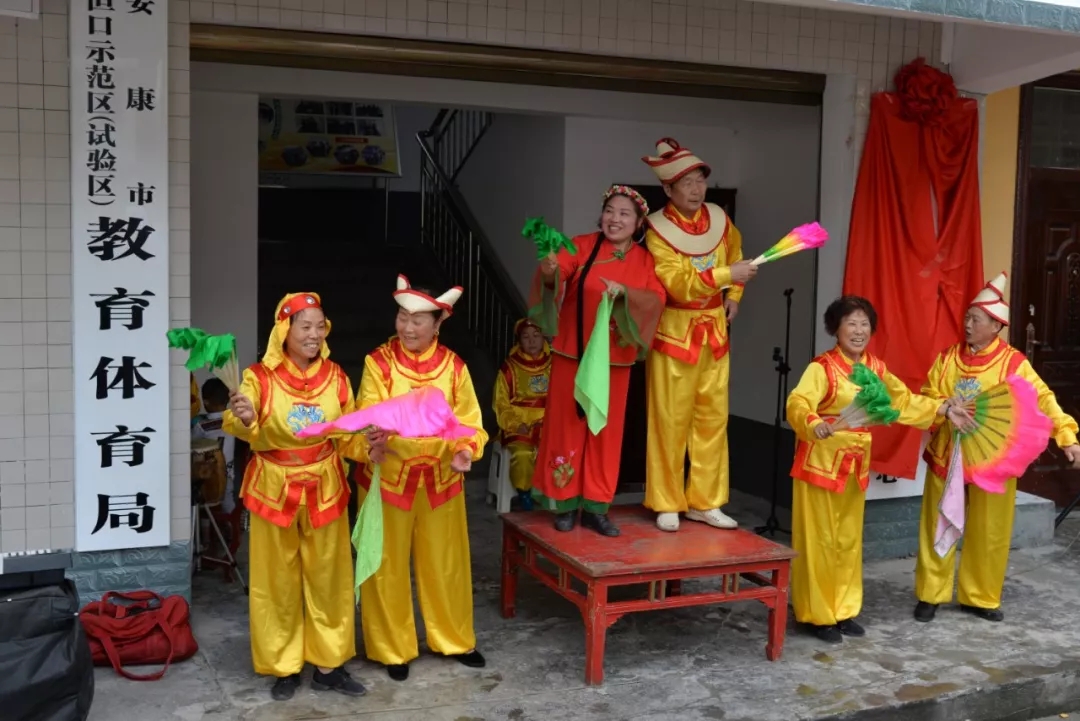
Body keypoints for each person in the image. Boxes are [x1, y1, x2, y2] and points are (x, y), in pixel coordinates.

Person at [786, 296, 962, 644]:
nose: (858, 330)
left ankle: (844, 610)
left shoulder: (876, 369)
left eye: (864, 324)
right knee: (819, 541)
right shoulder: (822, 368)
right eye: (851, 323)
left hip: (854, 468)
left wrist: (942, 408)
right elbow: (798, 401)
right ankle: (817, 615)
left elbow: (902, 401)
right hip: (820, 464)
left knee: (848, 541)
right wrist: (813, 422)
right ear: (835, 329)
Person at [913, 272, 1080, 623]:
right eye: (967, 317)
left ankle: (980, 596)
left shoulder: (1012, 363)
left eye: (976, 319)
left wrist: (1066, 434)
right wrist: (944, 405)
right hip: (948, 453)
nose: (968, 324)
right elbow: (927, 396)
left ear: (996, 327)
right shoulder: (947, 358)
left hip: (994, 458)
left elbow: (1043, 398)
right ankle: (930, 593)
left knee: (990, 529)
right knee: (938, 522)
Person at [223, 292, 365, 701]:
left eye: (320, 326)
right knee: (276, 582)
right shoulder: (259, 377)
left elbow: (348, 434)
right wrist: (246, 418)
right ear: (284, 330)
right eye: (305, 326)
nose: (314, 334)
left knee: (330, 579)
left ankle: (328, 665)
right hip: (273, 487)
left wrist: (370, 445)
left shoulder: (336, 376)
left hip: (325, 486)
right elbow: (238, 420)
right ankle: (283, 666)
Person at [347, 276, 489, 682]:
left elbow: (470, 423)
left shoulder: (454, 367)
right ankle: (392, 648)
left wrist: (465, 450)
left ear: (438, 324)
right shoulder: (378, 363)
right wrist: (374, 433)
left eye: (418, 320)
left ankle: (455, 640)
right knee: (386, 566)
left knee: (447, 565)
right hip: (388, 478)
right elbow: (368, 411)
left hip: (441, 479)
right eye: (402, 317)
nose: (407, 328)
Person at [530, 185, 665, 537]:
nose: (614, 219)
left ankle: (596, 507)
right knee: (567, 427)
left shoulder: (645, 260)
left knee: (605, 432)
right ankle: (564, 503)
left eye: (624, 214)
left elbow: (655, 299)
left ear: (638, 223)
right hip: (571, 353)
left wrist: (626, 295)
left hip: (613, 361)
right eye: (609, 211)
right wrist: (549, 268)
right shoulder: (581, 245)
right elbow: (556, 273)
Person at [640, 138, 759, 533]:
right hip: (674, 334)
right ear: (668, 189)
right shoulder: (656, 229)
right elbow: (675, 283)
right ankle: (667, 501)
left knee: (712, 420)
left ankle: (706, 501)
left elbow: (737, 256)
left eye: (700, 181)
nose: (695, 190)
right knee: (669, 422)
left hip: (715, 334)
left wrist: (734, 296)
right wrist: (727, 277)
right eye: (686, 183)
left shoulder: (720, 219)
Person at [493, 318, 552, 510]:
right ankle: (525, 494)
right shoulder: (509, 368)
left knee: (559, 451)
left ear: (543, 338)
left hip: (548, 423)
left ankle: (554, 495)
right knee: (523, 453)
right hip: (519, 425)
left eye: (536, 335)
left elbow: (563, 398)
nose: (532, 341)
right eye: (526, 337)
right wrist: (515, 424)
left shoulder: (555, 365)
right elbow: (501, 404)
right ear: (519, 340)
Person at [193, 377, 238, 513]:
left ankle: (205, 522)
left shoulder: (202, 426)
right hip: (231, 474)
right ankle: (231, 519)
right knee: (228, 505)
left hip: (209, 477)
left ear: (205, 402)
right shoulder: (235, 421)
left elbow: (191, 443)